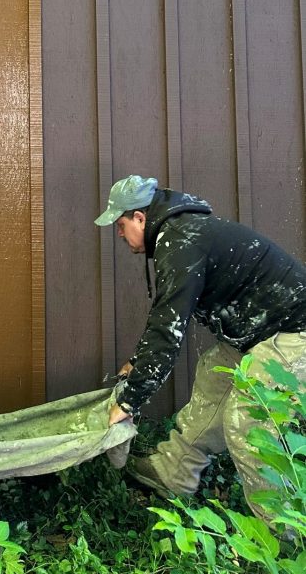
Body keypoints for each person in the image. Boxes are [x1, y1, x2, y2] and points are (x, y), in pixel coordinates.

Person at [97, 175, 306, 513]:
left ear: (140, 217)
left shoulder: (180, 241)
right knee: (215, 375)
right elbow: (166, 314)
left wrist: (128, 403)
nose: (119, 234)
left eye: (121, 225)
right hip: (258, 334)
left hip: (295, 333)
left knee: (248, 421)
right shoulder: (178, 234)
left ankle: (283, 535)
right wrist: (138, 361)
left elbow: (168, 332)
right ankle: (172, 474)